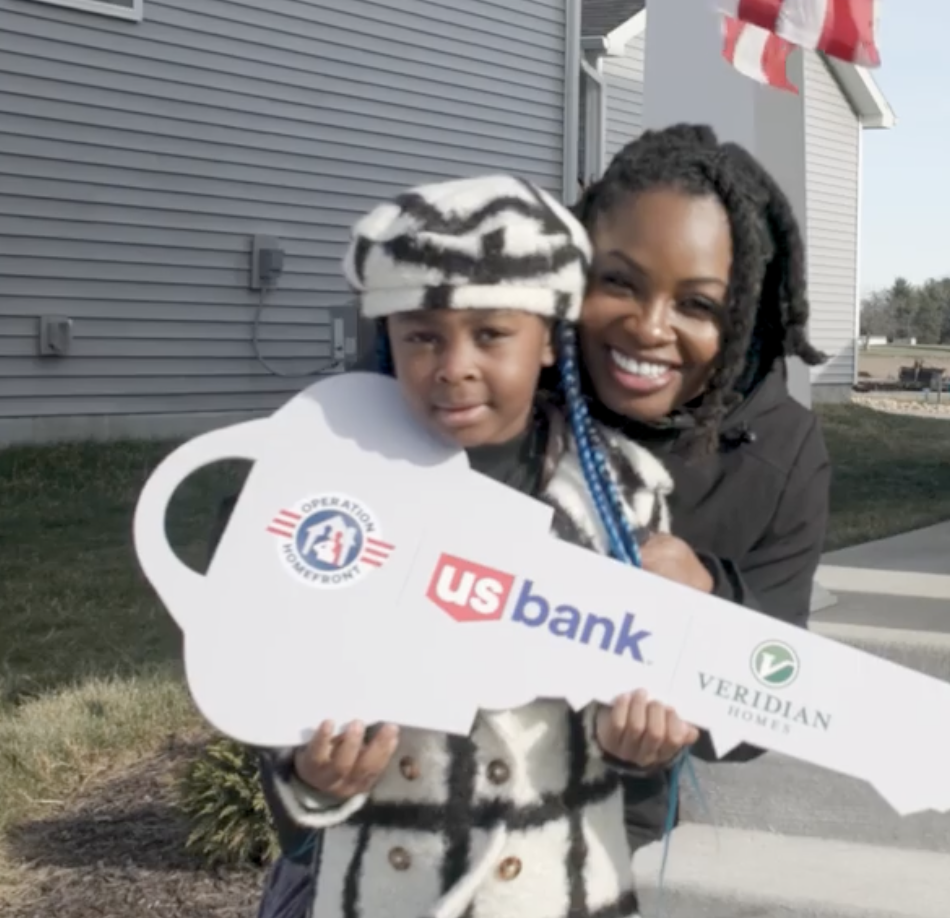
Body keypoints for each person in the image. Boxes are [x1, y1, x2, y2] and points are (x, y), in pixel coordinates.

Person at [219, 174, 706, 918]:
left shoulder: (626, 491)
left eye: (490, 334)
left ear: (550, 338)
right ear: (387, 337)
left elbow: (651, 694)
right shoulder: (331, 488)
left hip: (562, 885)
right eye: (422, 336)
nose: (454, 365)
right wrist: (313, 774)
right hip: (386, 885)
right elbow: (278, 681)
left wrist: (636, 738)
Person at [568, 124, 834, 851]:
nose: (649, 327)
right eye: (617, 280)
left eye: (698, 305)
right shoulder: (503, 381)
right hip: (401, 819)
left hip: (600, 838)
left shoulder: (780, 450)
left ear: (744, 314)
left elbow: (761, 711)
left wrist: (710, 599)